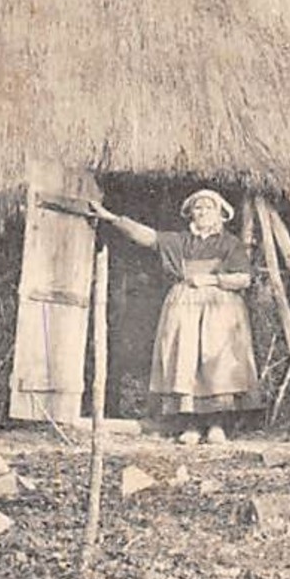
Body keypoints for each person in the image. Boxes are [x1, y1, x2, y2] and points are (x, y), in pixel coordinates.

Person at [89, 188, 263, 444]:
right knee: (185, 361)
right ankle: (190, 424)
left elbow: (244, 278)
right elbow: (148, 237)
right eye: (198, 208)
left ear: (220, 214)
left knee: (217, 363)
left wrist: (212, 279)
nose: (203, 212)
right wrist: (113, 218)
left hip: (220, 309)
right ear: (190, 213)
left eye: (208, 208)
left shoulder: (230, 244)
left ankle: (216, 425)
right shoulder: (180, 241)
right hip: (184, 307)